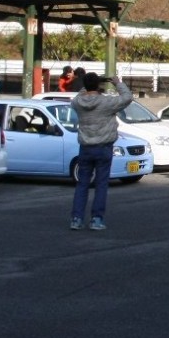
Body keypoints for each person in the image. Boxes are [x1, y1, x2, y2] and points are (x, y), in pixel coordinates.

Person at [68, 72, 133, 231]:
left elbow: (81, 94)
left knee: (82, 183)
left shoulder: (77, 102)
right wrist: (117, 83)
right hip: (104, 146)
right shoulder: (106, 102)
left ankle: (76, 219)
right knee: (101, 184)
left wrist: (90, 84)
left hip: (85, 147)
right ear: (98, 85)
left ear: (85, 85)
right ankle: (96, 219)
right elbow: (127, 97)